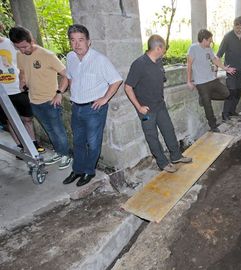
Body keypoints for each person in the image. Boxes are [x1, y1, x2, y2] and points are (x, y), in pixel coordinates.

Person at [62, 24, 123, 187]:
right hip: (76, 107)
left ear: (89, 41)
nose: (77, 44)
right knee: (78, 141)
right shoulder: (70, 57)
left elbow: (116, 80)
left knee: (93, 142)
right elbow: (69, 76)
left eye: (81, 40)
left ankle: (89, 171)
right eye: (73, 40)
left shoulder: (99, 60)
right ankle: (78, 170)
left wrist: (104, 99)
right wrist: (66, 92)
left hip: (94, 109)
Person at [125, 34, 192, 173]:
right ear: (158, 48)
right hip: (146, 110)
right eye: (164, 49)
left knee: (169, 130)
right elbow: (128, 87)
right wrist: (139, 107)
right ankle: (162, 163)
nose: (165, 52)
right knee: (152, 137)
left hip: (160, 106)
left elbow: (160, 81)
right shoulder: (139, 64)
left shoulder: (159, 61)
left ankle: (176, 156)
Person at [9, 26, 72, 170]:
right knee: (49, 130)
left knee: (58, 130)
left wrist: (59, 93)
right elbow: (22, 71)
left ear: (32, 41)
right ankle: (59, 152)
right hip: (33, 100)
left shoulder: (47, 55)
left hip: (50, 101)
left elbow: (66, 75)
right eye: (18, 47)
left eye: (25, 46)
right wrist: (21, 81)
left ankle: (66, 155)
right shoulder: (20, 55)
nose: (23, 50)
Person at [0, 23, 44, 154]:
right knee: (9, 120)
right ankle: (20, 146)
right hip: (2, 92)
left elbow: (26, 59)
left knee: (27, 118)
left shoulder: (11, 44)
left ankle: (33, 143)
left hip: (17, 88)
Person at [187, 29, 236, 132]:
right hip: (201, 82)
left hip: (212, 79)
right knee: (207, 106)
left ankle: (205, 98)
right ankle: (213, 126)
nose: (211, 42)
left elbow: (214, 60)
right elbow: (189, 65)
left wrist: (225, 68)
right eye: (209, 40)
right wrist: (189, 81)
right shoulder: (193, 48)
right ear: (204, 40)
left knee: (226, 93)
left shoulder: (208, 48)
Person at [217, 16, 241, 121]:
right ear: (234, 25)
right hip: (231, 70)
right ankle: (225, 114)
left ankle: (232, 111)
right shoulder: (228, 36)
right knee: (231, 92)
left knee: (239, 92)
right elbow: (219, 54)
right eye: (237, 28)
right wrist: (218, 68)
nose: (239, 30)